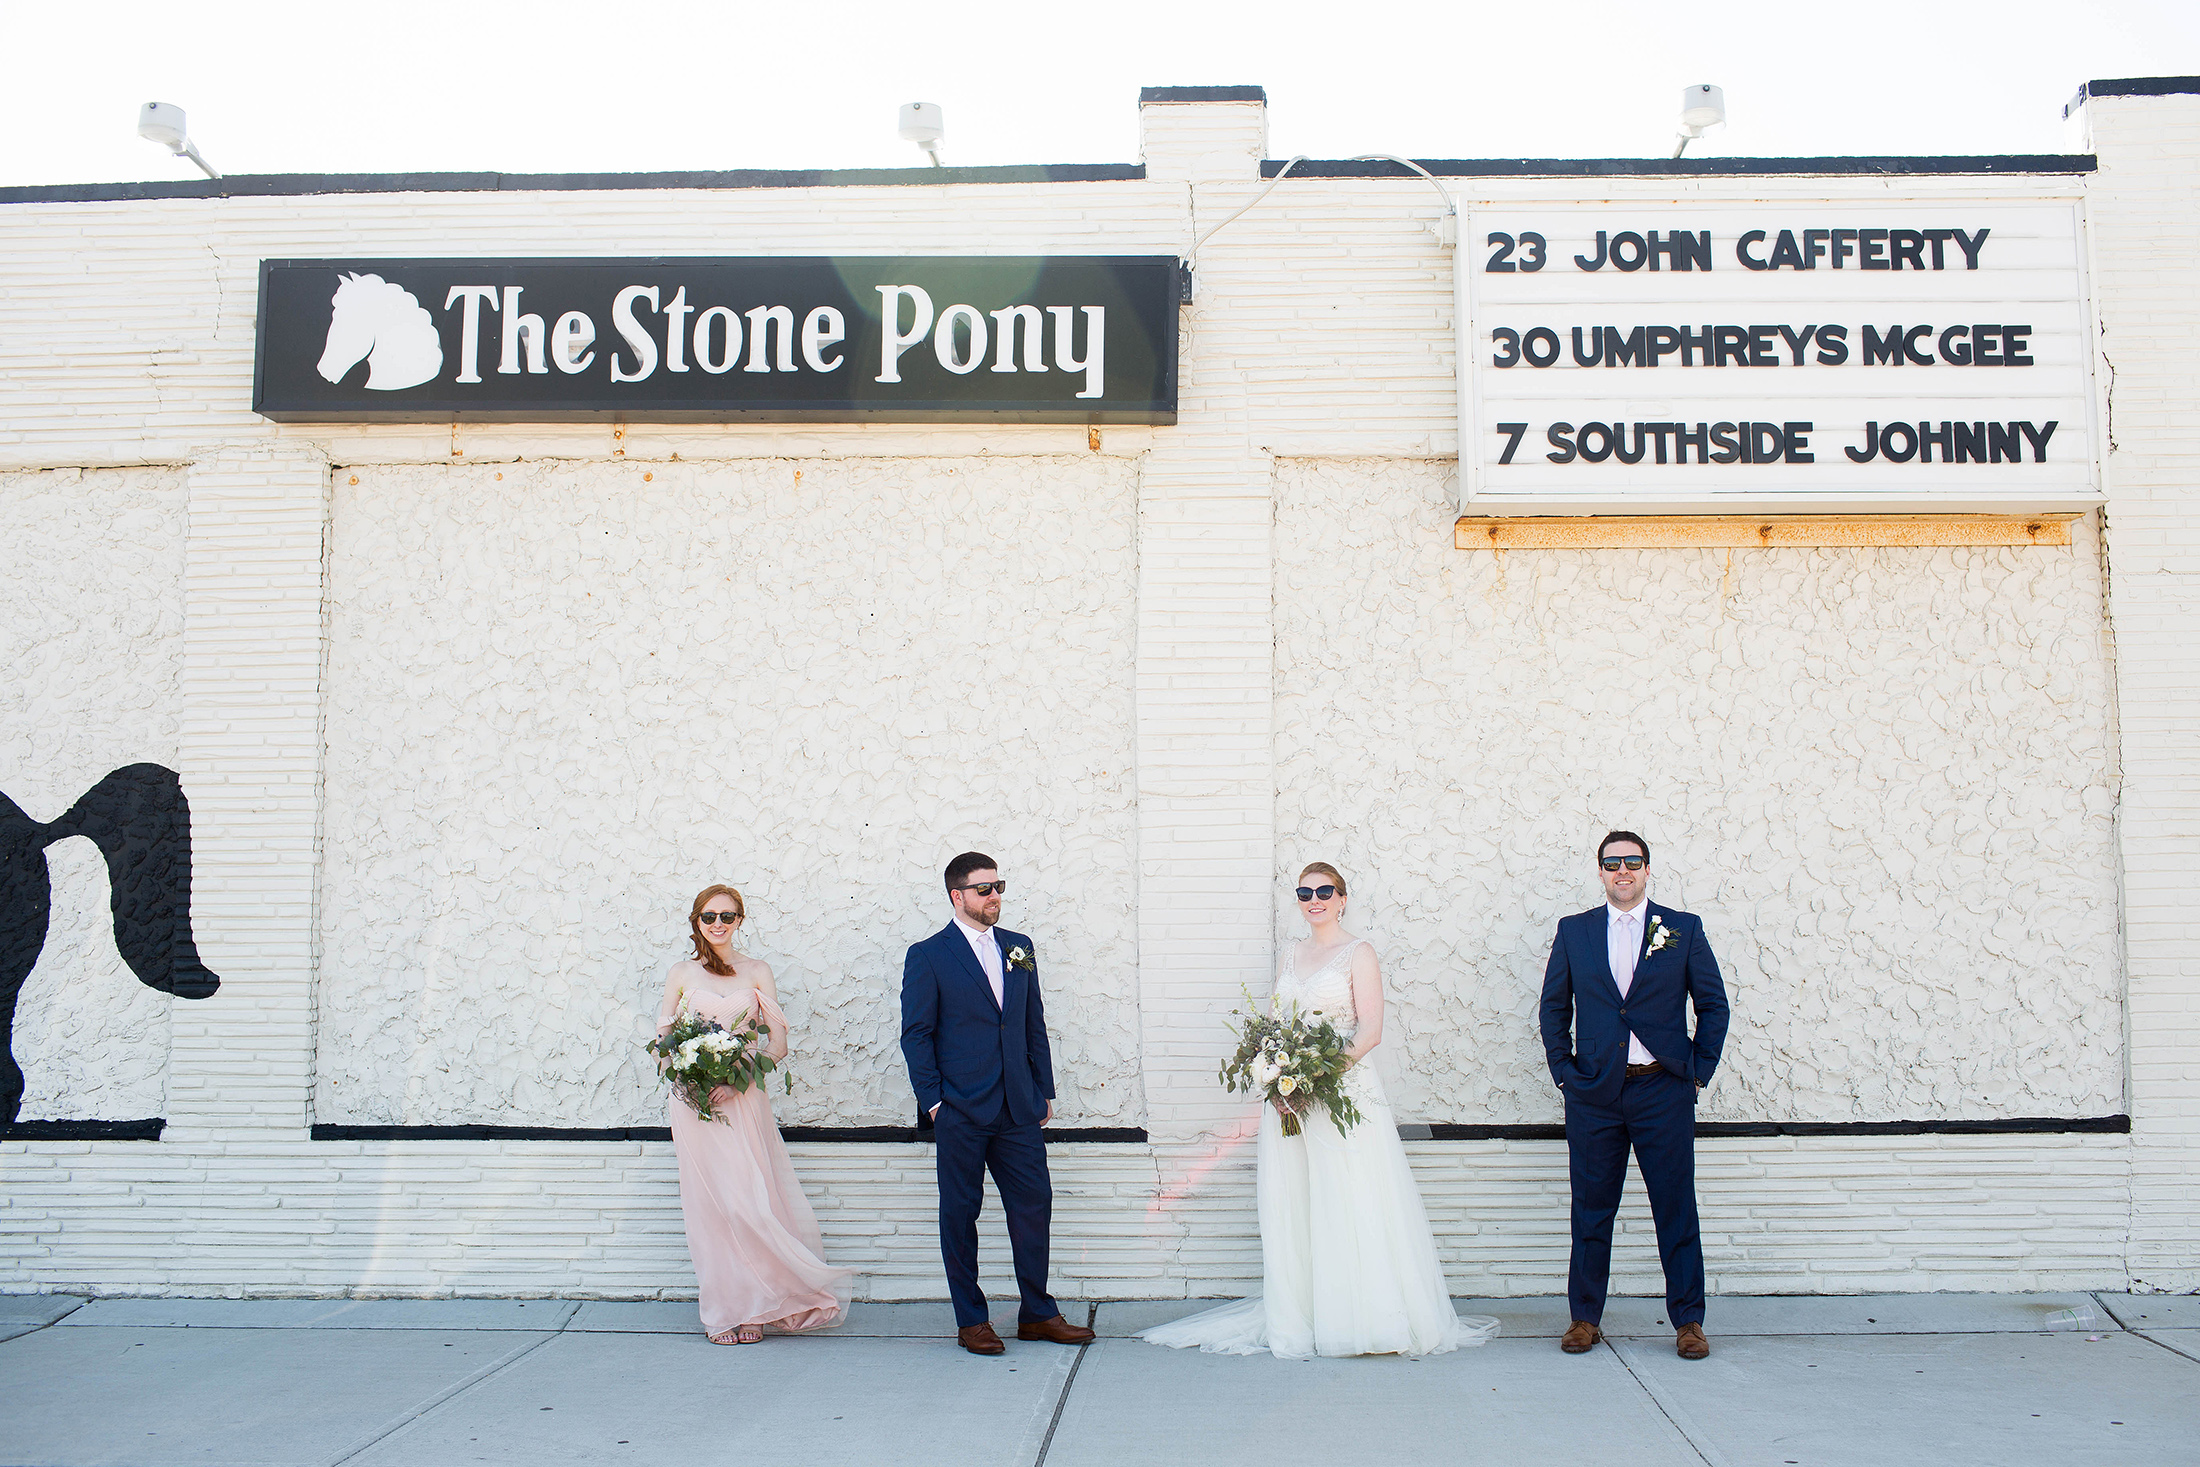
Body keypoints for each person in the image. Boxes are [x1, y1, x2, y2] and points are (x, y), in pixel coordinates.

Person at [1140, 862, 1498, 1359]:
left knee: (1348, 1197)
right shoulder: (1292, 953)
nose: (1315, 899)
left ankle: (1362, 1316)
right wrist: (1277, 1072)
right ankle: (1303, 1314)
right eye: (1305, 892)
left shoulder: (1359, 953)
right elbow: (1273, 1024)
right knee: (1295, 1199)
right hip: (1290, 1100)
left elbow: (1369, 1032)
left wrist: (1317, 1078)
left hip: (1340, 1096)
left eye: (1324, 891)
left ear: (1342, 897)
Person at [1538, 831, 1730, 1361]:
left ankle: (1689, 1321)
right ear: (1599, 871)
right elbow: (1554, 1008)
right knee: (1591, 1209)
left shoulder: (1682, 929)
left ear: (1647, 868)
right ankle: (1584, 1318)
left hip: (1662, 1091)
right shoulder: (1574, 932)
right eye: (1611, 862)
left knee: (1675, 1208)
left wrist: (1697, 1071)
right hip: (1594, 1095)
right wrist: (1564, 1074)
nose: (1622, 870)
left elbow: (1713, 1005)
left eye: (1632, 861)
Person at [899, 852, 1094, 1356]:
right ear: (956, 896)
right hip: (959, 1109)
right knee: (961, 1214)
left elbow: (1032, 1021)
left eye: (998, 886)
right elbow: (916, 1035)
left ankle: (1038, 1313)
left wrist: (1043, 1088)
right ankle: (971, 1319)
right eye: (983, 889)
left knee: (1034, 1206)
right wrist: (935, 1102)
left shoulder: (1019, 947)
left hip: (1018, 1106)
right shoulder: (928, 955)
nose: (994, 897)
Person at [656, 884, 849, 1345]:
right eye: (708, 917)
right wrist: (688, 1082)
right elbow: (664, 1041)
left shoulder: (758, 970)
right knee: (711, 1208)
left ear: (740, 920)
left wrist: (735, 1077)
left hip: (742, 1098)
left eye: (727, 916)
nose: (718, 925)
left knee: (749, 1203)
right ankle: (726, 1308)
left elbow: (776, 1044)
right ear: (696, 922)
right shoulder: (681, 973)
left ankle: (760, 1305)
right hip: (694, 1105)